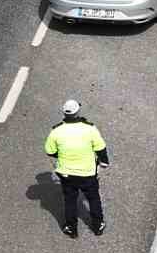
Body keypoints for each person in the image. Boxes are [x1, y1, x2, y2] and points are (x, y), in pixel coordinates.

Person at [44, 99, 109, 238]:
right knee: (93, 199)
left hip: (67, 174)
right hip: (88, 173)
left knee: (70, 201)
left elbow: (49, 151)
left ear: (64, 113)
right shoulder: (90, 128)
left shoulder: (56, 131)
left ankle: (71, 229)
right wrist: (104, 163)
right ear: (78, 111)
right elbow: (100, 148)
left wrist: (61, 154)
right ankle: (98, 226)